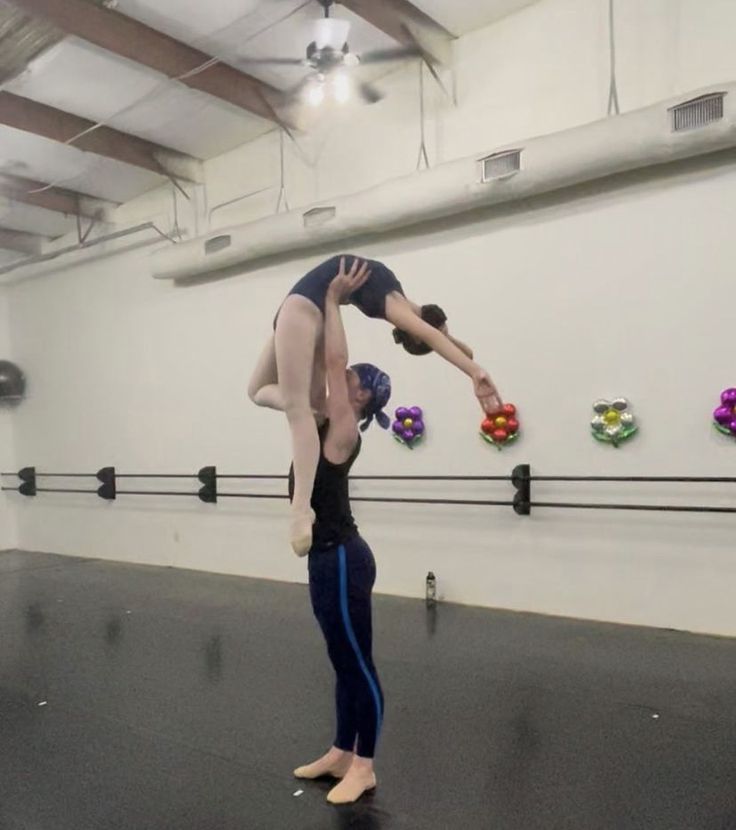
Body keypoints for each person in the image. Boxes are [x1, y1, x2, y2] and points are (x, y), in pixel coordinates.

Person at [249, 254, 503, 555]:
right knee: (291, 406)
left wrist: (469, 362)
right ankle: (300, 512)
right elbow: (433, 335)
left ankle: (304, 411)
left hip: (308, 315)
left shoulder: (397, 291)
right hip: (302, 311)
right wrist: (473, 371)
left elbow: (441, 337)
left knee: (287, 402)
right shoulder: (395, 303)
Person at [289, 264, 390, 805]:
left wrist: (331, 299)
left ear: (364, 400)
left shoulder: (345, 429)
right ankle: (341, 751)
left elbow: (333, 359)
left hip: (346, 558)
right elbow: (306, 368)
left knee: (358, 662)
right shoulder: (318, 424)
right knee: (340, 660)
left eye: (350, 384)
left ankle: (365, 766)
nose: (340, 383)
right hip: (324, 558)